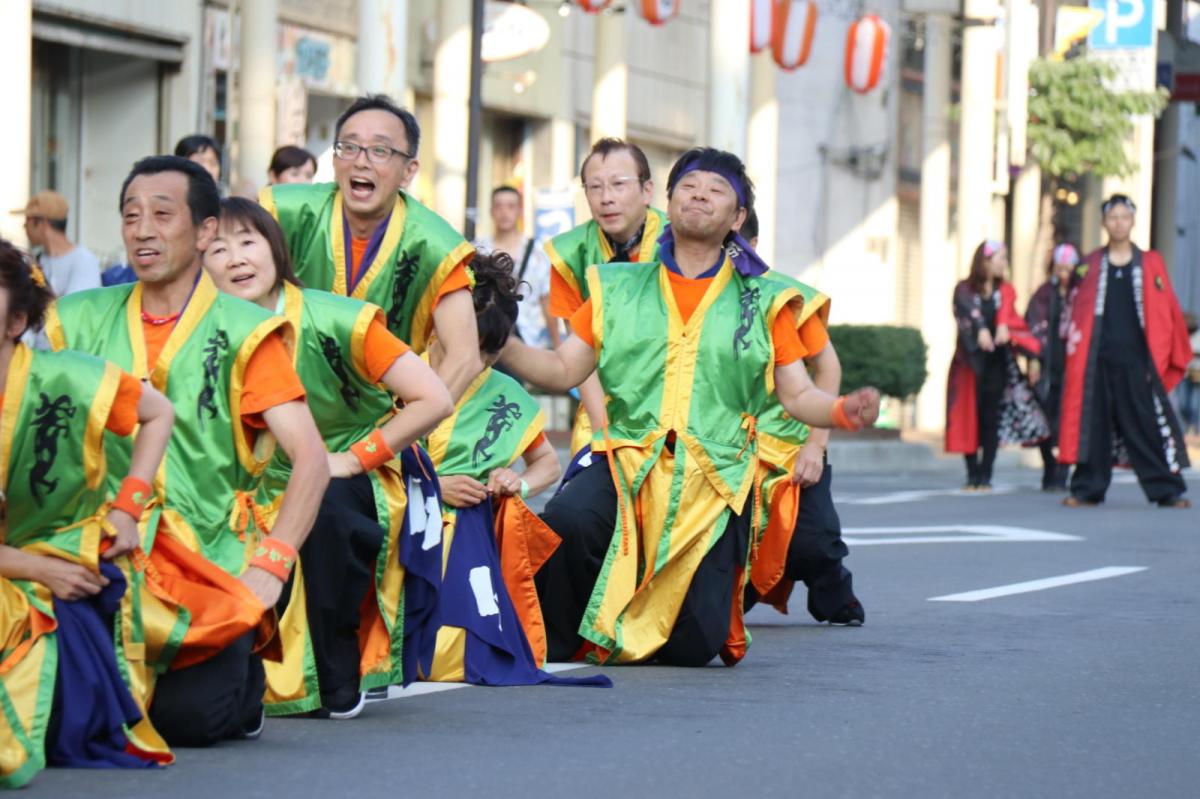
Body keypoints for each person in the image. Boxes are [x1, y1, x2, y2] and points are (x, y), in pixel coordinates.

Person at [503, 147, 880, 667]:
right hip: (627, 457)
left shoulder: (764, 300)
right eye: (689, 185)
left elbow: (796, 394)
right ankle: (556, 638)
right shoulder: (615, 287)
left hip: (713, 475)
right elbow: (563, 370)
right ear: (668, 201)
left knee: (693, 644)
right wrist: (500, 341)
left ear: (738, 218)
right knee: (569, 516)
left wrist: (840, 413)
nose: (700, 194)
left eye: (717, 189)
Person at [45, 155, 330, 745]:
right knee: (69, 714)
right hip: (95, 563)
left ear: (203, 231)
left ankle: (238, 673)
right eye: (130, 215)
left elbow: (312, 458)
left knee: (187, 723)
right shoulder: (72, 320)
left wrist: (271, 566)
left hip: (206, 571)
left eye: (161, 214)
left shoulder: (244, 329)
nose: (142, 229)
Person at [203, 196, 453, 717]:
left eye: (248, 242)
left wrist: (355, 458)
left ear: (276, 249)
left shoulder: (340, 320)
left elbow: (434, 397)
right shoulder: (203, 334)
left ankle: (339, 674)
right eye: (218, 248)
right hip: (247, 485)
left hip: (354, 470)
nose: (235, 258)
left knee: (328, 511)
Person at [0, 239, 175, 787]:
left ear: (17, 320)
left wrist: (127, 508)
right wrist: (30, 568)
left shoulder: (70, 379)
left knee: (76, 711)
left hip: (55, 561)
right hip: (30, 569)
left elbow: (158, 411)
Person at [421, 251, 607, 686]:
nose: (479, 362)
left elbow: (544, 463)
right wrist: (432, 486)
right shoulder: (401, 367)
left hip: (467, 523)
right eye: (473, 347)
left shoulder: (504, 393)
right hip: (403, 508)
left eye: (491, 352)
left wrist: (516, 482)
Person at [261, 94, 481, 400]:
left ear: (408, 171)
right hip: (278, 408)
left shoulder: (436, 245)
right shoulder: (281, 211)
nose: (361, 161)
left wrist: (403, 429)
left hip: (376, 424)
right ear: (335, 159)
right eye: (348, 147)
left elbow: (465, 357)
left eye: (380, 150)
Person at [737, 208, 865, 629]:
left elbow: (829, 369)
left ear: (751, 244)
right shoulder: (683, 294)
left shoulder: (785, 298)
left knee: (814, 544)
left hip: (789, 445)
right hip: (719, 449)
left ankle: (834, 593)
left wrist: (815, 446)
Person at [535, 138, 668, 457]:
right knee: (575, 503)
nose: (606, 198)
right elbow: (579, 357)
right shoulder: (570, 254)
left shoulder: (679, 241)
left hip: (674, 402)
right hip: (603, 402)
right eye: (594, 187)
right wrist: (604, 432)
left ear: (647, 190)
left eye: (619, 185)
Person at [1059, 195, 1192, 508]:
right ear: (1104, 222)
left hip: (1137, 361)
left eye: (1124, 217)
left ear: (1132, 221)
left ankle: (1167, 490)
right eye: (1113, 217)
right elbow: (1075, 310)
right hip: (1098, 361)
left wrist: (1157, 358)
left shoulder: (1149, 262)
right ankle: (1087, 489)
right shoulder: (1090, 264)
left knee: (1145, 426)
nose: (1119, 223)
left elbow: (1166, 311)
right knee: (1094, 428)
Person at [945, 240, 1048, 490]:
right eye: (1000, 258)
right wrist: (981, 329)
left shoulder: (1006, 290)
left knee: (990, 419)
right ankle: (972, 474)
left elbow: (1009, 317)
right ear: (985, 261)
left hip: (997, 365)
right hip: (969, 365)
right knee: (968, 417)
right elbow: (967, 313)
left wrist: (1003, 327)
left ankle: (985, 475)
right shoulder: (964, 290)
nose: (1004, 264)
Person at [475, 186, 556, 348]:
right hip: (486, 339)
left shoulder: (537, 251)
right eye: (499, 206)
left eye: (511, 206)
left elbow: (546, 300)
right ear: (491, 211)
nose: (504, 212)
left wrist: (557, 344)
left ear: (520, 211)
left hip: (530, 340)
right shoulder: (477, 250)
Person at [1026, 243, 1079, 490]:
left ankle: (1062, 473)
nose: (1064, 271)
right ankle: (1050, 467)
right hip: (1049, 367)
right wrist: (1033, 360)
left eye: (1069, 267)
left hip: (1074, 367)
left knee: (1068, 423)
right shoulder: (1044, 293)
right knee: (1045, 422)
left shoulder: (1081, 293)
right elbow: (1032, 326)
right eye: (1060, 266)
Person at [13, 190, 101, 301]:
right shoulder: (37, 259)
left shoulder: (84, 260)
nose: (24, 226)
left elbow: (74, 308)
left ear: (43, 224)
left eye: (28, 220)